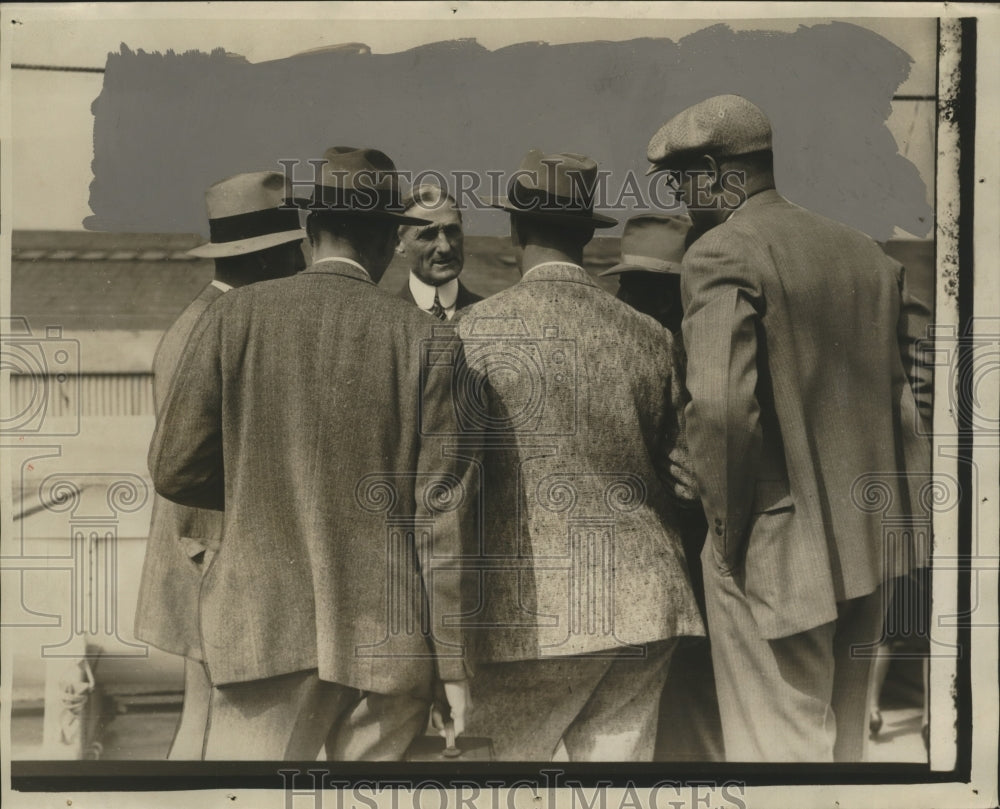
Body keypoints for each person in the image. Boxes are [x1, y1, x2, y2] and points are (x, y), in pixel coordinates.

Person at [148, 146, 479, 761]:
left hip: (259, 626)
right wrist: (453, 665)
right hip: (389, 637)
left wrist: (256, 492)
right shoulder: (431, 339)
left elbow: (174, 468)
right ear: (388, 238)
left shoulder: (232, 317)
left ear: (309, 229)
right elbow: (441, 518)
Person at [645, 94, 933, 762]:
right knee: (845, 755)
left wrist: (726, 529)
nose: (684, 200)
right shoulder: (864, 252)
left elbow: (719, 407)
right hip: (871, 543)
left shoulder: (722, 251)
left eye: (683, 181)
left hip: (773, 549)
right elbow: (903, 401)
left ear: (715, 170)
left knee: (775, 758)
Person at [456, 149, 705, 761]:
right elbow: (682, 465)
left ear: (514, 230)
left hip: (532, 609)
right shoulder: (648, 334)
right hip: (648, 598)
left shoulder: (472, 330)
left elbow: (448, 478)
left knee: (494, 778)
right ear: (588, 235)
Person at [134, 170, 306, 759]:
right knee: (210, 727)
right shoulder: (211, 327)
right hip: (206, 550)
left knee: (202, 720)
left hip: (200, 552)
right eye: (292, 252)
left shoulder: (208, 318)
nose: (301, 266)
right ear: (265, 260)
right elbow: (189, 464)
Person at [600, 214, 725, 762]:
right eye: (629, 284)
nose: (634, 297)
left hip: (693, 567)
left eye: (651, 287)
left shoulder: (703, 362)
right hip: (632, 577)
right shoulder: (616, 349)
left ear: (678, 296)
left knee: (688, 712)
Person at [395, 184, 483, 319]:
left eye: (452, 231)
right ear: (398, 243)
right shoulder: (383, 317)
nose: (445, 247)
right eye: (428, 235)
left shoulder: (490, 313)